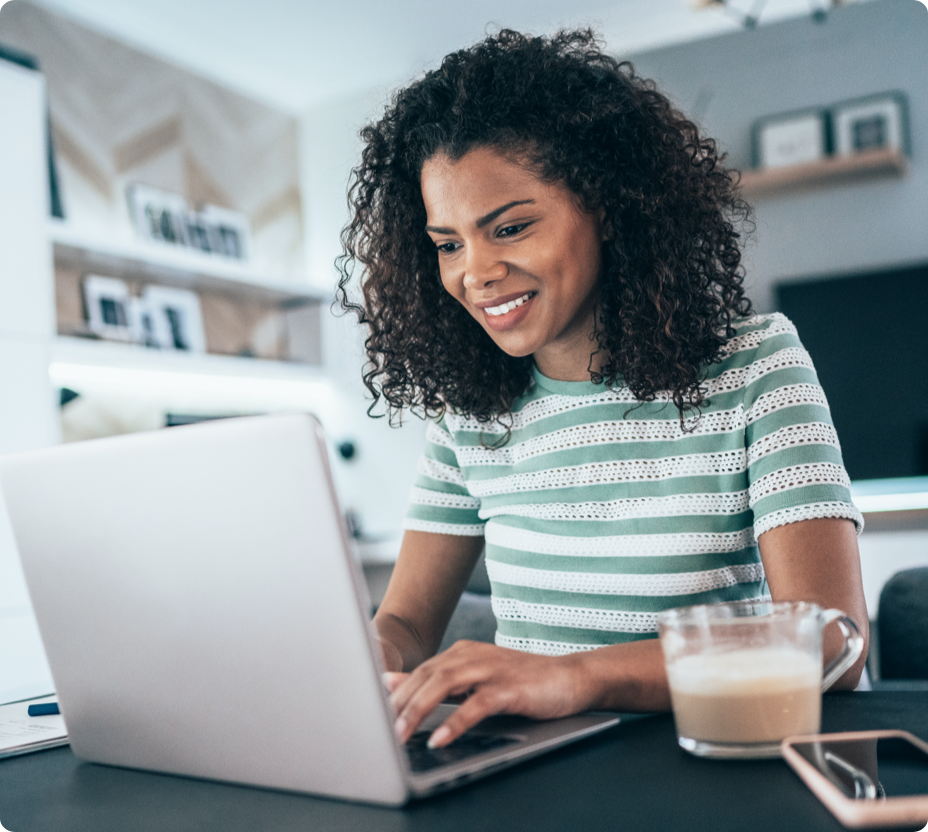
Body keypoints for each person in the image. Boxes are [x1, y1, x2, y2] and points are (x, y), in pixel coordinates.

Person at [336, 28, 869, 751]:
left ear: (610, 207)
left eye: (511, 227)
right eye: (448, 243)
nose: (475, 272)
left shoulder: (757, 365)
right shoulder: (469, 415)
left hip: (726, 756)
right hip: (539, 769)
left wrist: (574, 676)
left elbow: (834, 642)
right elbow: (403, 625)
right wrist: (371, 659)